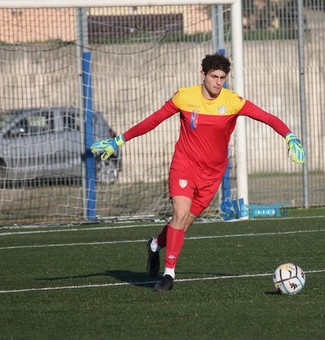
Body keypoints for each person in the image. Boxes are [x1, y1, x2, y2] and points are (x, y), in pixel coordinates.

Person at [91, 54, 305, 292]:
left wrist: (290, 136)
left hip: (212, 174)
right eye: (214, 76)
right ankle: (169, 275)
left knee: (180, 225)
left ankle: (154, 245)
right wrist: (119, 140)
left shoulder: (232, 101)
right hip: (185, 166)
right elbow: (153, 121)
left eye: (222, 77)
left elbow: (267, 117)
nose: (218, 82)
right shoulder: (185, 97)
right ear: (202, 75)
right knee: (180, 214)